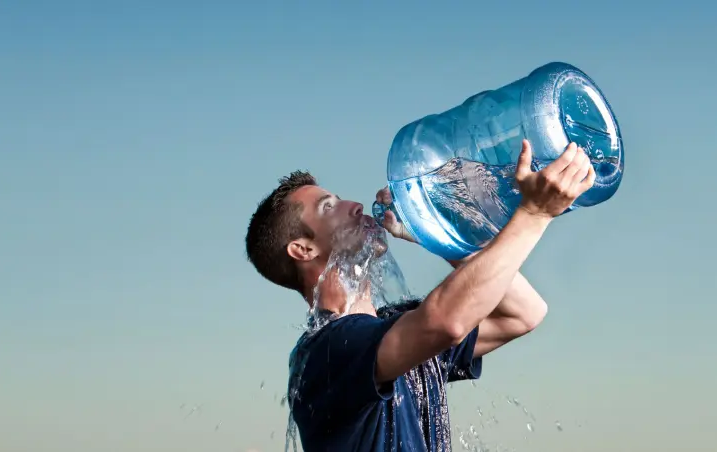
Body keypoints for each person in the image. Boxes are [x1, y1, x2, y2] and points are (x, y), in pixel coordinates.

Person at [244, 140, 596, 451]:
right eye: (327, 207)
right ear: (303, 249)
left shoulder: (397, 330)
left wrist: (438, 234)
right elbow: (445, 321)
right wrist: (533, 214)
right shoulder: (326, 352)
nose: (354, 205)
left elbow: (522, 313)